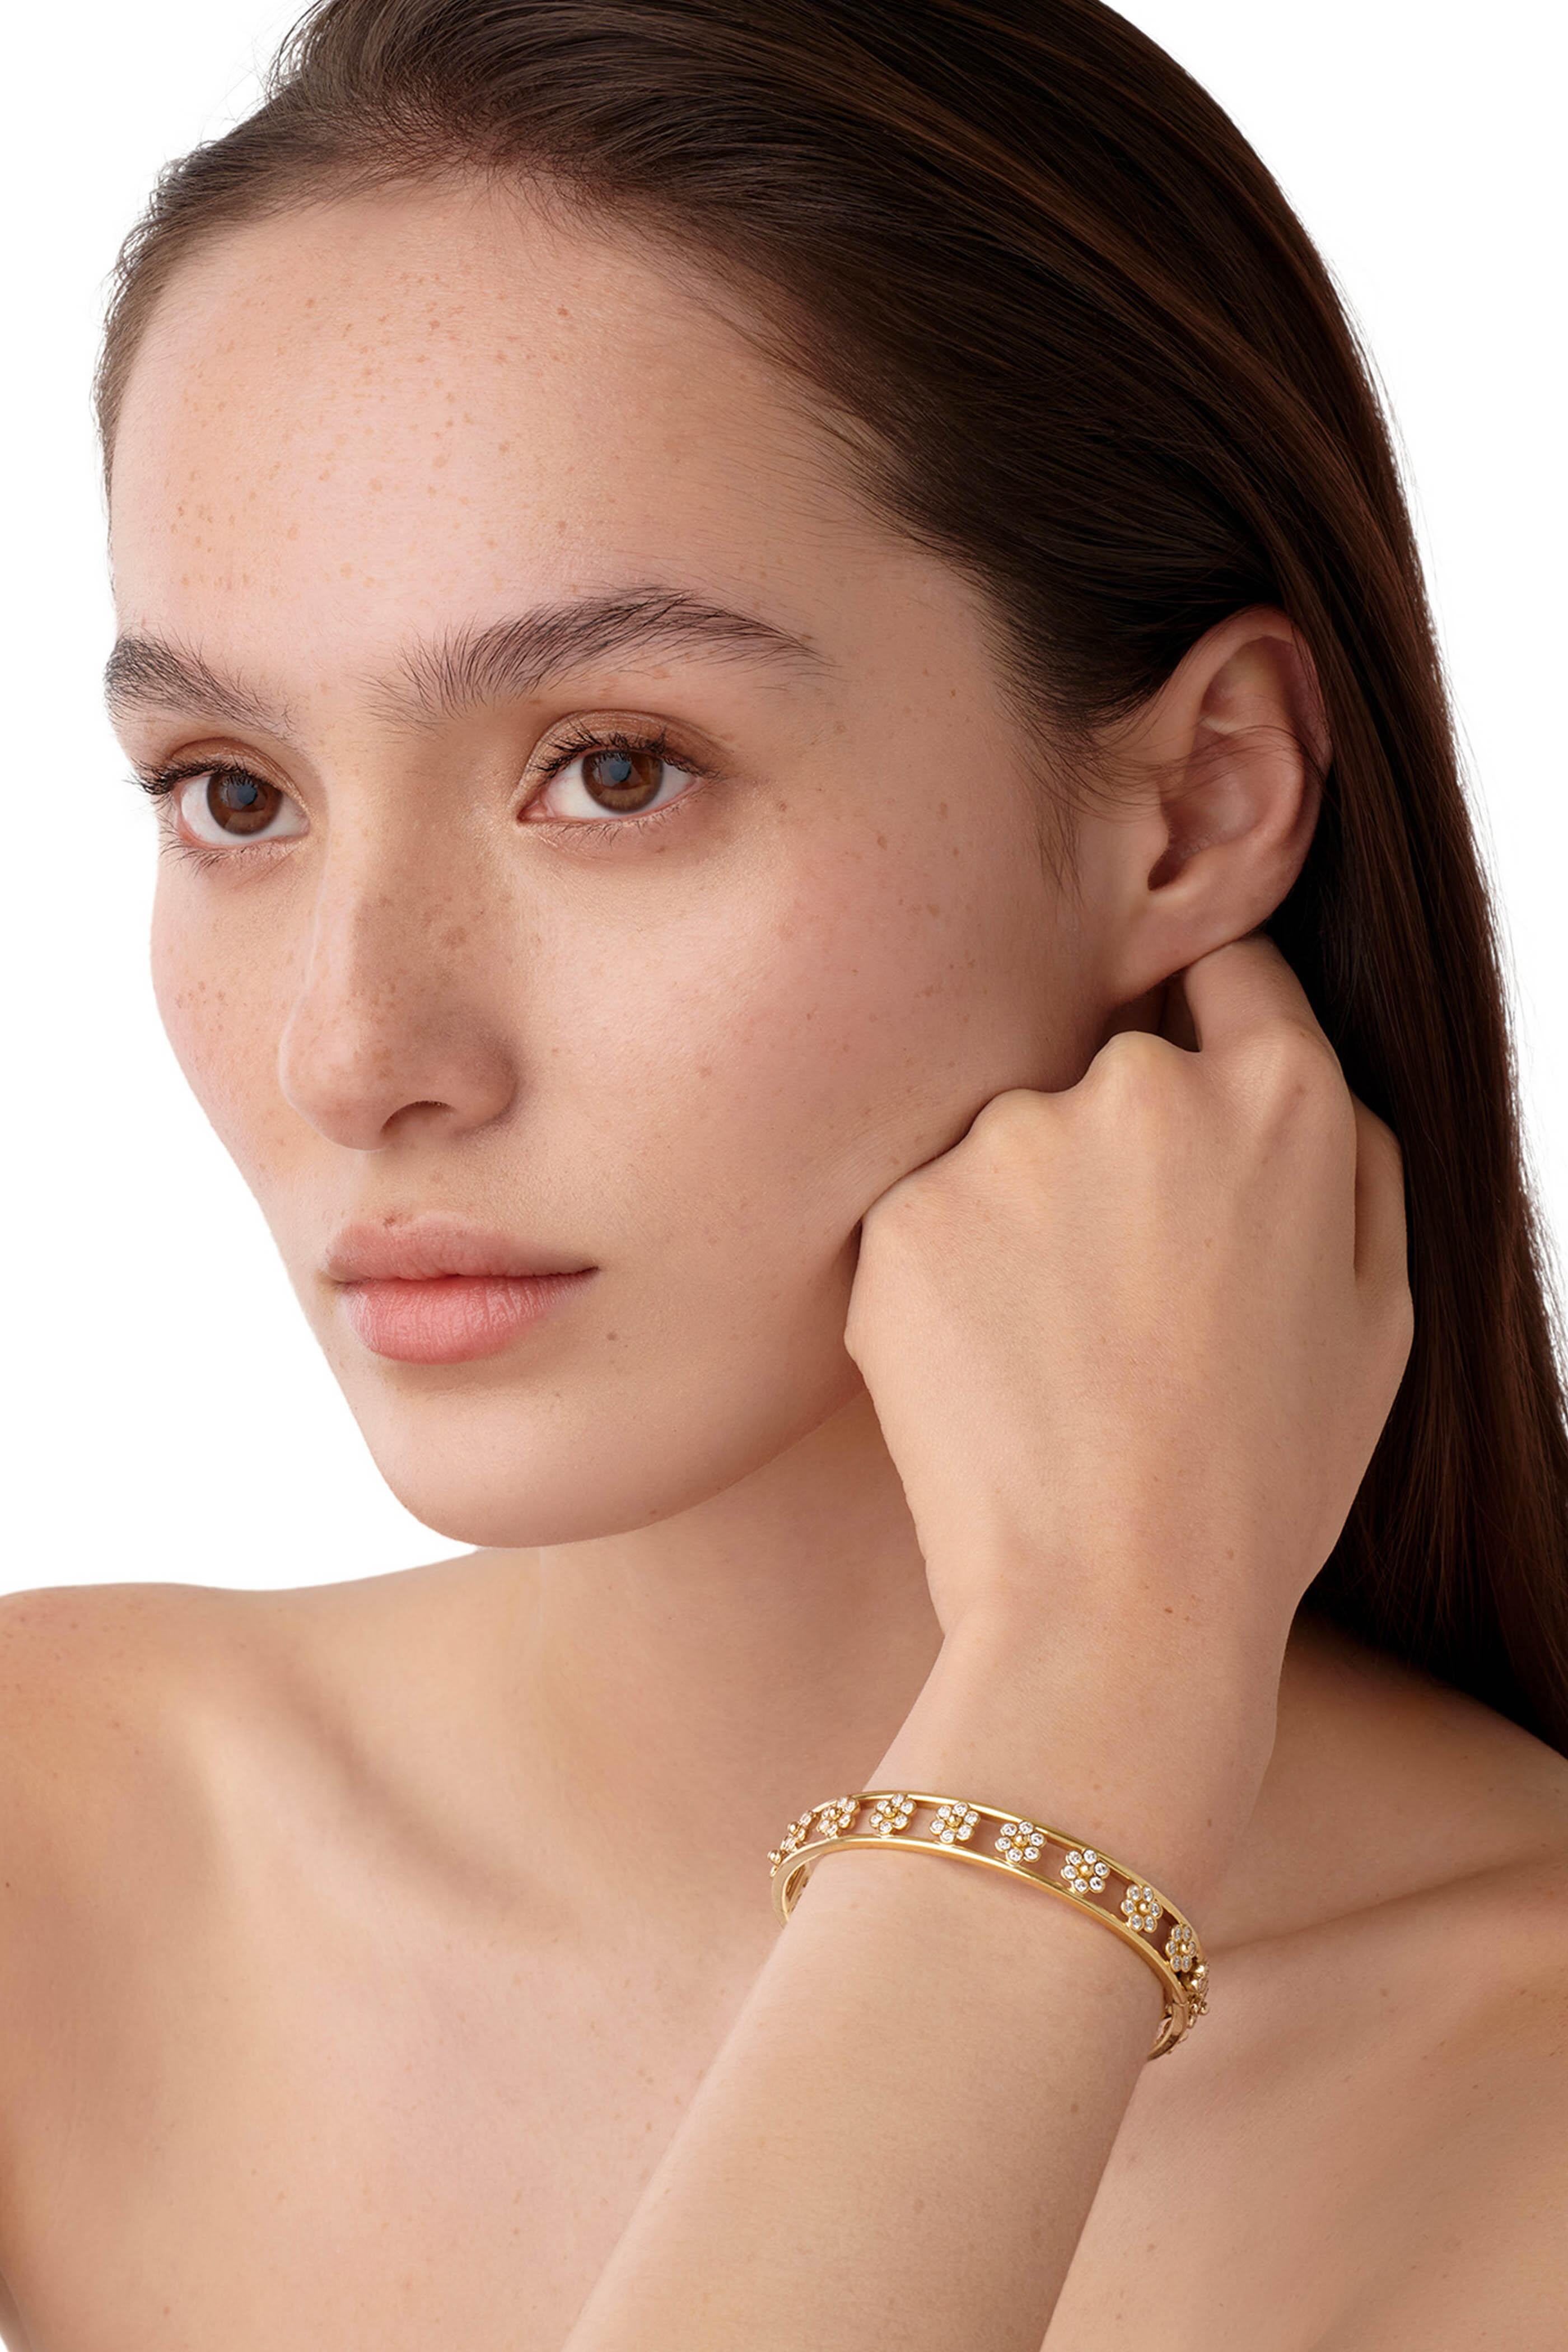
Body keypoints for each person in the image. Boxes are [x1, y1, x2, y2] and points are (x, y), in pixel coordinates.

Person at [2, 0, 1565, 2342]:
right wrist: (1080, 1727)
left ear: (1196, 803)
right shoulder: (54, 1862)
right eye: (235, 792)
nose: (357, 1053)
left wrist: (1090, 1692)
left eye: (615, 769)